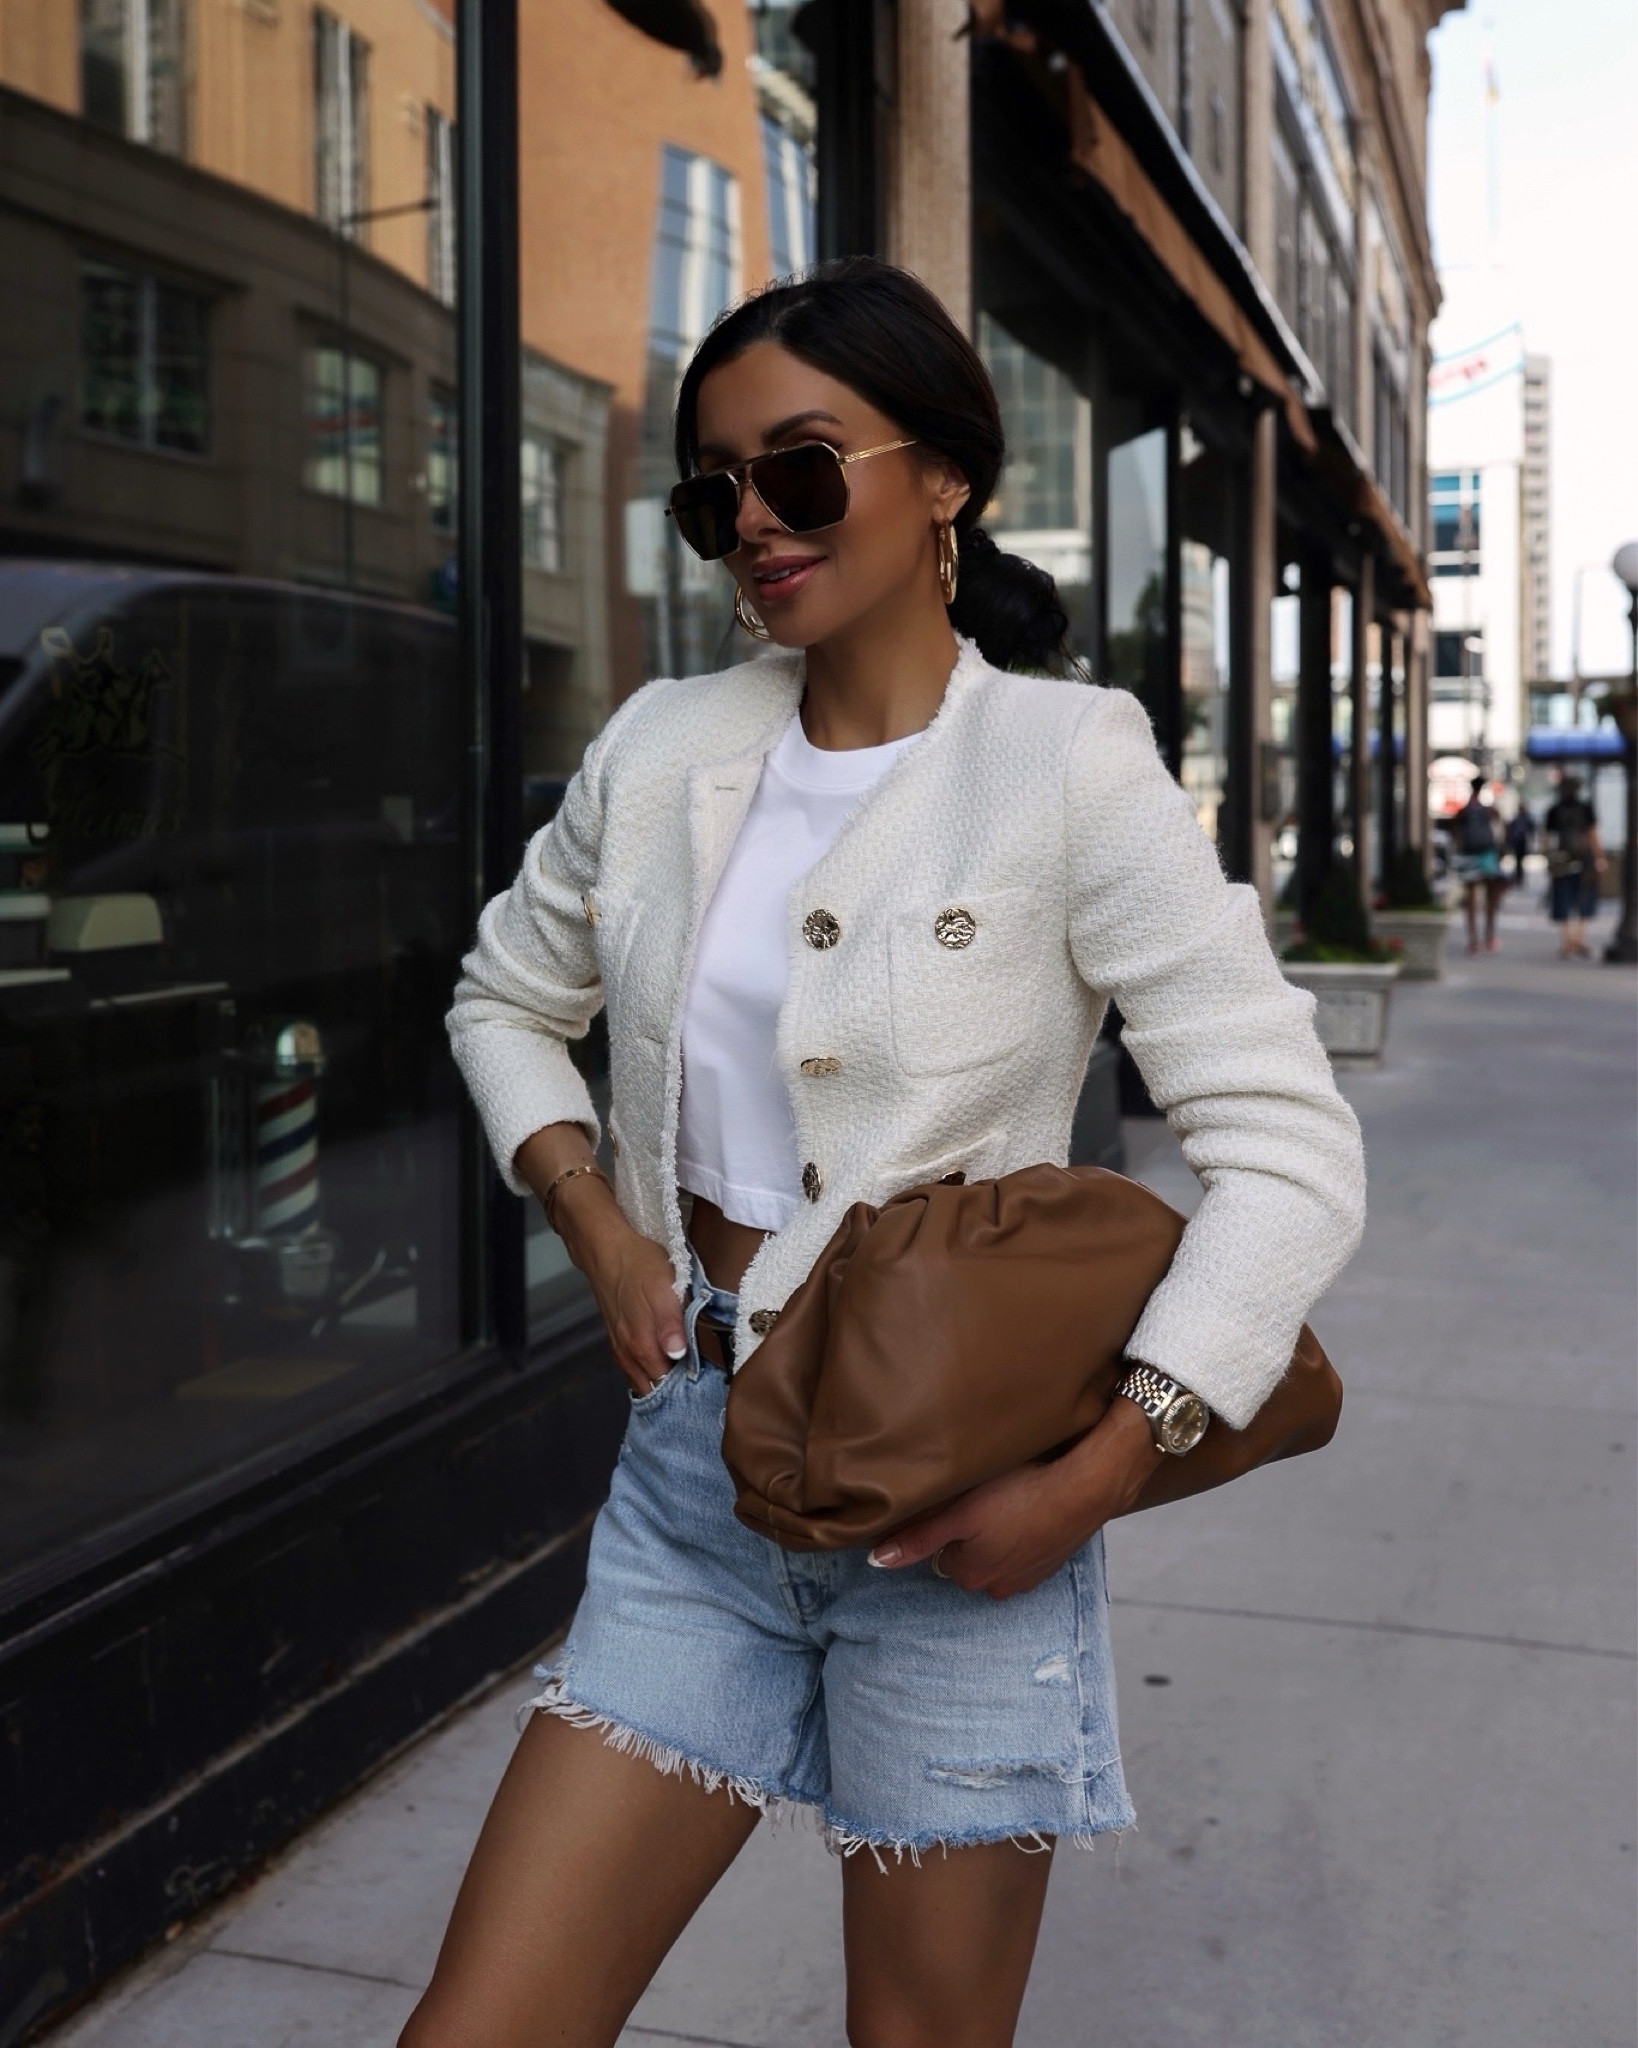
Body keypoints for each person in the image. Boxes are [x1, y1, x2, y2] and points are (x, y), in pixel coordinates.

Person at [405, 259, 1366, 2048]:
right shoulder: (662, 745)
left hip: (958, 1513)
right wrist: (599, 1225)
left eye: (802, 467)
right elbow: (495, 1000)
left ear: (942, 475)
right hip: (689, 1483)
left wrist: (1088, 1480)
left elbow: (1289, 1149)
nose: (754, 524)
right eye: (714, 491)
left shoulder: (1065, 762)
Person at [1544, 773, 1606, 959]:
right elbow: (1592, 834)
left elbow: (1547, 838)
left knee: (1564, 898)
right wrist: (1599, 858)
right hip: (1583, 857)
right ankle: (1576, 938)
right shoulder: (1584, 808)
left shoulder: (1555, 809)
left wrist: (1550, 859)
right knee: (1584, 897)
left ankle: (1568, 940)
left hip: (1563, 859)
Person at [1450, 775, 1506, 952]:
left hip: (1468, 856)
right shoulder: (1489, 810)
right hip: (1487, 855)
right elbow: (1500, 830)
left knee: (1471, 899)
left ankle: (1473, 940)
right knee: (1490, 897)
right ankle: (1489, 937)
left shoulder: (1464, 810)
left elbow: (1454, 832)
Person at [1504, 800, 1534, 887]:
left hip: (1522, 842)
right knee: (1518, 861)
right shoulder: (1516, 819)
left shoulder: (1526, 819)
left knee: (1520, 861)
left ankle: (1520, 877)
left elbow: (1531, 829)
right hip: (1517, 842)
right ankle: (1518, 877)